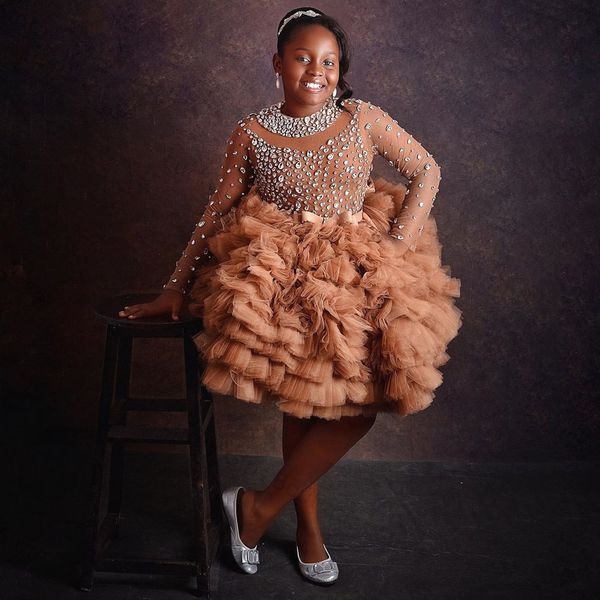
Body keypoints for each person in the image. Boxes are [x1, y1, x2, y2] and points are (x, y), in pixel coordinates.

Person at [118, 6, 462, 586]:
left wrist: (399, 246)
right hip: (284, 274)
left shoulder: (362, 117)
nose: (316, 71)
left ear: (339, 70)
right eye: (303, 57)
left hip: (358, 269)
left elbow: (426, 169)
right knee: (304, 401)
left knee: (360, 402)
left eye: (328, 61)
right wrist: (174, 285)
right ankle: (308, 531)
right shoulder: (252, 132)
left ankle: (258, 507)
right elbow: (216, 211)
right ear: (277, 63)